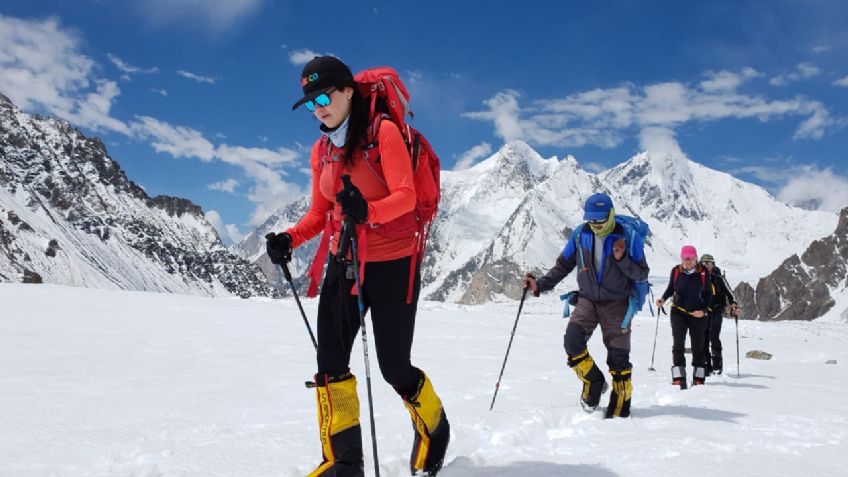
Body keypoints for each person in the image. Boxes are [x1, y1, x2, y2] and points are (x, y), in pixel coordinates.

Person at [265, 56, 449, 477]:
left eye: (325, 96)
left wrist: (366, 210)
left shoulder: (382, 132)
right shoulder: (321, 149)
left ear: (348, 91)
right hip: (343, 261)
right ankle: (344, 464)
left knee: (394, 368)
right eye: (311, 103)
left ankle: (435, 428)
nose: (319, 108)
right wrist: (289, 238)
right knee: (329, 364)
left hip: (393, 263)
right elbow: (319, 212)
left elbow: (404, 195)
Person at [523, 193, 649, 419]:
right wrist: (539, 286)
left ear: (611, 214)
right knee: (572, 342)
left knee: (618, 359)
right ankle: (594, 381)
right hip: (588, 300)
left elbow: (641, 274)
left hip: (618, 304)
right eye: (592, 220)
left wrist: (622, 260)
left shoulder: (628, 237)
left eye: (601, 220)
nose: (597, 224)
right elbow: (563, 265)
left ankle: (620, 415)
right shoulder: (581, 234)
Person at [656, 246, 714, 389]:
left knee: (698, 346)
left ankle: (699, 377)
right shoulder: (676, 271)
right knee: (678, 344)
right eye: (685, 259)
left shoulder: (703, 272)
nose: (687, 262)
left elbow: (708, 294)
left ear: (695, 258)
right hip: (678, 312)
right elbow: (671, 288)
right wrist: (663, 299)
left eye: (690, 259)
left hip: (698, 314)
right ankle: (678, 377)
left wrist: (703, 310)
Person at [699, 254, 740, 375]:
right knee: (703, 337)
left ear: (713, 265)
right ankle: (706, 365)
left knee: (714, 335)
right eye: (704, 263)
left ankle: (717, 365)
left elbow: (730, 294)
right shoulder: (697, 277)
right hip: (703, 310)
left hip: (717, 309)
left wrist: (733, 304)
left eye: (709, 263)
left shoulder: (719, 277)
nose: (706, 266)